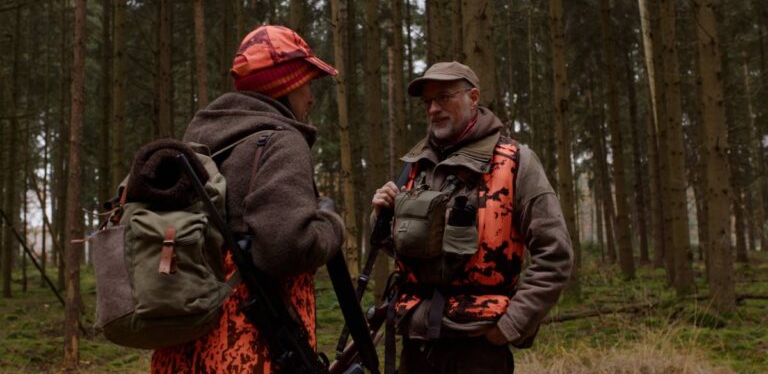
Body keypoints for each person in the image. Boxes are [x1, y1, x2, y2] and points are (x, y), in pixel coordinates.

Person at [151, 25, 345, 373]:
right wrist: (331, 223)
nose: (311, 97)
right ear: (286, 84)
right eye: (306, 82)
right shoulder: (282, 141)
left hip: (182, 348)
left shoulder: (198, 142)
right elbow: (287, 247)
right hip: (248, 348)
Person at [371, 61, 573, 373]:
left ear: (473, 97)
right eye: (428, 102)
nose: (433, 109)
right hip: (417, 342)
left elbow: (556, 255)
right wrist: (381, 217)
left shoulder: (516, 162)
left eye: (444, 97)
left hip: (477, 347)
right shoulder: (416, 166)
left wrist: (510, 326)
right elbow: (397, 246)